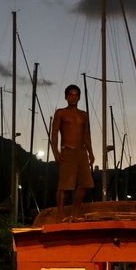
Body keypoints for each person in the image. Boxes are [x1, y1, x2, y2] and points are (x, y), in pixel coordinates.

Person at [50, 84, 94, 220]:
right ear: (66, 97)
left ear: (79, 97)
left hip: (81, 152)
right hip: (67, 151)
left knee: (86, 184)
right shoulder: (61, 113)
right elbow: (54, 134)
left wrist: (91, 152)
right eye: (71, 95)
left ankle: (75, 211)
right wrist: (55, 152)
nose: (73, 97)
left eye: (76, 95)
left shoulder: (84, 115)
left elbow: (86, 135)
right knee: (64, 185)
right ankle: (60, 213)